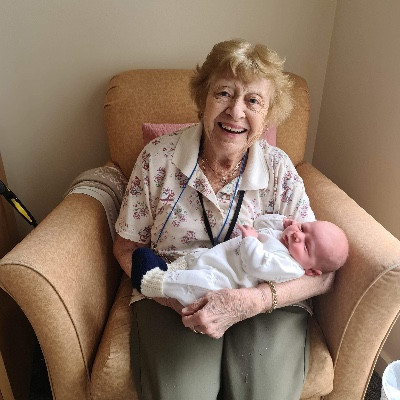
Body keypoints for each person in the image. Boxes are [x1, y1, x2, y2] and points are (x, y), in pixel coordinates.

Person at [113, 38, 336, 400]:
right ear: (203, 98)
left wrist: (253, 301)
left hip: (265, 295)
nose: (235, 111)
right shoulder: (158, 158)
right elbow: (127, 247)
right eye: (223, 94)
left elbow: (323, 273)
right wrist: (176, 296)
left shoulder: (279, 169)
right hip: (177, 285)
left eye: (253, 101)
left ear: (268, 114)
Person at [130, 215, 349, 306]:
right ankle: (169, 269)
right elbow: (260, 222)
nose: (297, 235)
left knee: (197, 284)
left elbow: (257, 264)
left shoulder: (290, 266)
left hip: (225, 280)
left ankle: (156, 283)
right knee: (196, 259)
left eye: (306, 245)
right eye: (302, 227)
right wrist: (282, 221)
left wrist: (251, 240)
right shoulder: (284, 237)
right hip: (218, 259)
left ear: (311, 271)